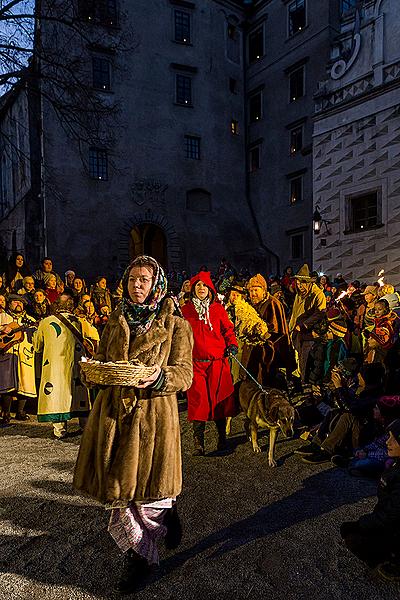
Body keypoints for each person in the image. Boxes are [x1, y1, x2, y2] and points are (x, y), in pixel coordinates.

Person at [73, 256, 193, 594]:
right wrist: (93, 368)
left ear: (156, 284)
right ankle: (137, 556)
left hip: (153, 419)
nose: (137, 285)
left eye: (143, 279)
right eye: (132, 279)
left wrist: (159, 376)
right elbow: (107, 363)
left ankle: (158, 531)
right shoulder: (115, 320)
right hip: (114, 417)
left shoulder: (175, 325)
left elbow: (185, 374)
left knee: (148, 496)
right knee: (119, 494)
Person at [182, 271, 238, 455]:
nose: (201, 288)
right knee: (198, 403)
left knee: (219, 402)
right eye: (198, 285)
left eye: (204, 285)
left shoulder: (217, 309)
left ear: (210, 289)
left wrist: (232, 344)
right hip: (196, 363)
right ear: (193, 289)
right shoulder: (185, 311)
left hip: (217, 362)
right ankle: (199, 444)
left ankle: (222, 439)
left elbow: (228, 330)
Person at [340, 418, 400, 582]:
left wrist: (362, 524)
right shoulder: (395, 465)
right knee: (349, 530)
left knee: (354, 540)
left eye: (394, 438)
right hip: (390, 524)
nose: (389, 441)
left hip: (393, 529)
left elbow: (390, 516)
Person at [34, 292, 94, 439]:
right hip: (76, 363)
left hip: (53, 364)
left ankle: (60, 430)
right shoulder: (78, 322)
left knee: (57, 393)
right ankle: (84, 426)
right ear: (71, 306)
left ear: (56, 305)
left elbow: (37, 346)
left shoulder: (46, 322)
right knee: (78, 391)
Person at [240, 273, 294, 390]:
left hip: (270, 352)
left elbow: (277, 331)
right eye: (251, 291)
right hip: (255, 350)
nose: (253, 294)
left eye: (256, 290)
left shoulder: (273, 303)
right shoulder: (253, 305)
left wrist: (262, 336)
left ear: (264, 290)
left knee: (268, 383)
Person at [0, 295, 37, 423]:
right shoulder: (2, 317)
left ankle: (20, 412)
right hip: (6, 353)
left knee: (24, 383)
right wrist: (2, 328)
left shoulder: (30, 320)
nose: (18, 304)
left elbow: (36, 338)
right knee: (6, 383)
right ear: (9, 304)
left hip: (24, 354)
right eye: (15, 302)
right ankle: (6, 413)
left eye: (20, 302)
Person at [289, 264, 327, 384]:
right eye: (298, 284)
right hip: (297, 332)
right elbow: (295, 313)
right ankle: (299, 381)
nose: (300, 287)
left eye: (302, 284)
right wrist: (290, 328)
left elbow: (320, 313)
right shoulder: (298, 295)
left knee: (307, 360)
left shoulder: (318, 294)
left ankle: (307, 383)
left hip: (310, 334)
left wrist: (305, 324)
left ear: (308, 283)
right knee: (298, 358)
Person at [364, 298, 396, 364]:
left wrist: (371, 338)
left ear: (385, 310)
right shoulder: (379, 321)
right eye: (375, 309)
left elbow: (375, 342)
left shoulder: (385, 324)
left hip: (382, 354)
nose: (377, 312)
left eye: (380, 309)